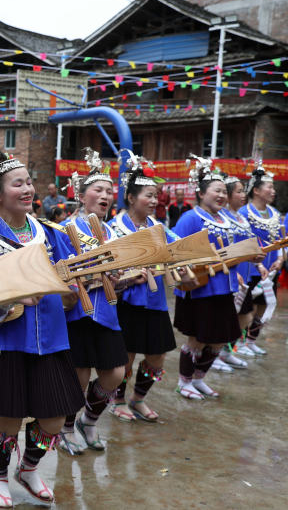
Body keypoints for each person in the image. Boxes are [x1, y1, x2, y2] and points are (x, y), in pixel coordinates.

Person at [0, 149, 83, 506]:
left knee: (54, 417)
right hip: (9, 341)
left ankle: (29, 467)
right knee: (10, 418)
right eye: (17, 183)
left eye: (29, 181)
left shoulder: (50, 233)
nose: (28, 189)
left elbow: (69, 279)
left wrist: (72, 291)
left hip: (51, 339)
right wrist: (10, 300)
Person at [57, 148, 126, 455]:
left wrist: (122, 277)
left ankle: (90, 419)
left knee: (115, 374)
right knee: (79, 376)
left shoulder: (112, 232)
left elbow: (119, 279)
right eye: (98, 190)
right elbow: (58, 271)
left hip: (108, 313)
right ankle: (67, 428)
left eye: (109, 191)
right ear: (81, 196)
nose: (105, 195)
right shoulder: (64, 229)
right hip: (78, 315)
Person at [108, 157, 184, 423]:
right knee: (125, 358)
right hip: (127, 302)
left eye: (156, 196)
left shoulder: (159, 228)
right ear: (130, 197)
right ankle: (117, 399)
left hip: (155, 301)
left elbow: (178, 249)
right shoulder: (113, 228)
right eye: (148, 196)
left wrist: (184, 263)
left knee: (157, 357)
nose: (154, 201)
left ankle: (138, 398)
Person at [172, 157, 241, 400]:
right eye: (216, 191)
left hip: (225, 288)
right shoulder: (191, 218)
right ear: (201, 193)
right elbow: (176, 252)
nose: (222, 195)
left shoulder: (227, 220)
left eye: (224, 191)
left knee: (221, 338)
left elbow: (236, 249)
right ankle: (184, 381)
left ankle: (199, 379)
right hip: (200, 289)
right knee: (198, 339)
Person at [237, 164, 283, 356]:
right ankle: (236, 345)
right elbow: (244, 241)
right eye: (269, 187)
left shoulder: (275, 213)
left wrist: (280, 259)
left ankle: (251, 340)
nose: (273, 191)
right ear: (256, 190)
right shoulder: (244, 213)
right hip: (250, 269)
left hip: (271, 270)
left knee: (264, 306)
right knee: (244, 309)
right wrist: (258, 262)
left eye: (273, 188)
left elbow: (282, 239)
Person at [217, 175, 262, 371]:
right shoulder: (222, 217)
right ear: (227, 195)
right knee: (228, 318)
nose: (243, 195)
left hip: (246, 273)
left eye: (243, 191)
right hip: (230, 275)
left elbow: (249, 244)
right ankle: (215, 354)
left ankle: (227, 351)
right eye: (239, 191)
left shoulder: (241, 217)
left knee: (244, 317)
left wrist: (259, 264)